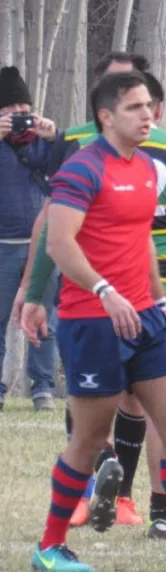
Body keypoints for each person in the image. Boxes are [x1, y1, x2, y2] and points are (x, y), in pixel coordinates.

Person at [20, 70, 166, 572]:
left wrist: (158, 306)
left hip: (146, 318)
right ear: (106, 116)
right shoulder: (80, 169)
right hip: (92, 321)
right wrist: (103, 291)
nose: (148, 116)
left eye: (151, 106)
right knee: (91, 438)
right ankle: (49, 546)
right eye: (136, 107)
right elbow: (59, 243)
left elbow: (140, 243)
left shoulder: (145, 170)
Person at [0, 65, 59, 412]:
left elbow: (76, 166)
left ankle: (43, 388)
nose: (21, 118)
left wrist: (54, 136)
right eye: (12, 111)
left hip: (44, 249)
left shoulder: (42, 143)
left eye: (25, 111)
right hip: (2, 248)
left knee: (43, 319)